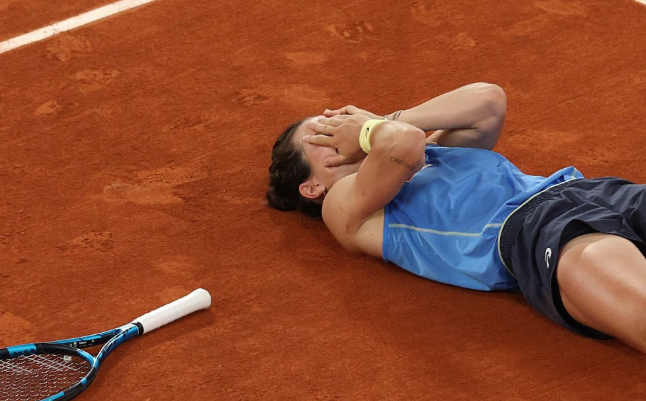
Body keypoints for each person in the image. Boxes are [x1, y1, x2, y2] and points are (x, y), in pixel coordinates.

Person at [267, 82, 646, 352]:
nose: (334, 129)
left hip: (590, 192)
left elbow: (488, 101)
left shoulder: (433, 151)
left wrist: (383, 119)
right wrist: (371, 132)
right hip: (540, 233)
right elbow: (403, 144)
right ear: (311, 187)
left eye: (334, 122)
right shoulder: (345, 208)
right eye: (319, 136)